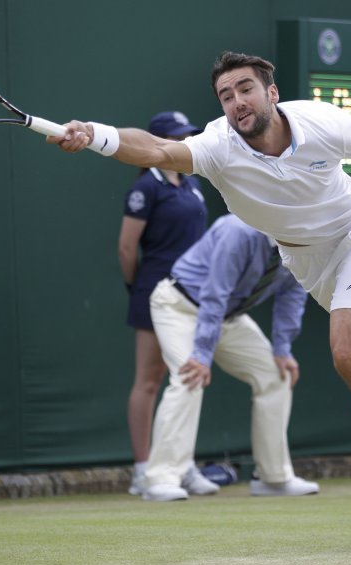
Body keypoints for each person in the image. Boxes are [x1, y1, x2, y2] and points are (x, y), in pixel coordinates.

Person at [48, 51, 351, 543]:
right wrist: (95, 133)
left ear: (271, 93)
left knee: (349, 353)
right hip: (306, 261)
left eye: (245, 89)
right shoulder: (217, 146)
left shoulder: (324, 123)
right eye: (226, 95)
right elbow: (154, 149)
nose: (236, 101)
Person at [143, 213, 319, 501]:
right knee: (190, 376)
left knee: (276, 376)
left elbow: (293, 293)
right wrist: (201, 354)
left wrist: (282, 348)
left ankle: (273, 477)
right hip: (179, 306)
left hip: (227, 317)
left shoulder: (301, 243)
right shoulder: (238, 232)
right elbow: (215, 292)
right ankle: (161, 477)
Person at [117, 111, 208, 496]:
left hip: (193, 296)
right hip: (154, 293)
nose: (184, 142)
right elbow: (126, 247)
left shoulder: (191, 184)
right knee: (150, 380)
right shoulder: (147, 188)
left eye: (187, 136)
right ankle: (144, 469)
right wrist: (138, 288)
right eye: (175, 136)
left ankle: (181, 464)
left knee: (188, 378)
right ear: (155, 143)